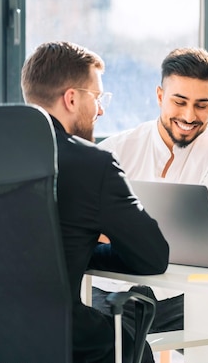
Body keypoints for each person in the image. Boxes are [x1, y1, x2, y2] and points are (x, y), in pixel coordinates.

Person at [21, 41, 170, 363]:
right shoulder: (92, 165)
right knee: (131, 330)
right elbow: (153, 256)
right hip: (58, 337)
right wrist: (92, 243)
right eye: (97, 98)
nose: (100, 110)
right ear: (72, 98)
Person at [91, 47, 208, 335]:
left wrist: (123, 235)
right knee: (103, 346)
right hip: (115, 290)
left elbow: (202, 235)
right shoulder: (115, 149)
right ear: (160, 96)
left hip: (182, 295)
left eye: (202, 105)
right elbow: (91, 233)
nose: (189, 115)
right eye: (179, 101)